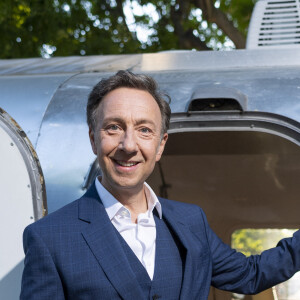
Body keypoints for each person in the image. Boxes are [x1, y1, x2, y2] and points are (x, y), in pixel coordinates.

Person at [20, 70, 300, 300]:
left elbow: (251, 274)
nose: (129, 146)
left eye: (144, 130)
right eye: (113, 127)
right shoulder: (48, 239)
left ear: (160, 145)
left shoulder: (191, 221)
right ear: (94, 139)